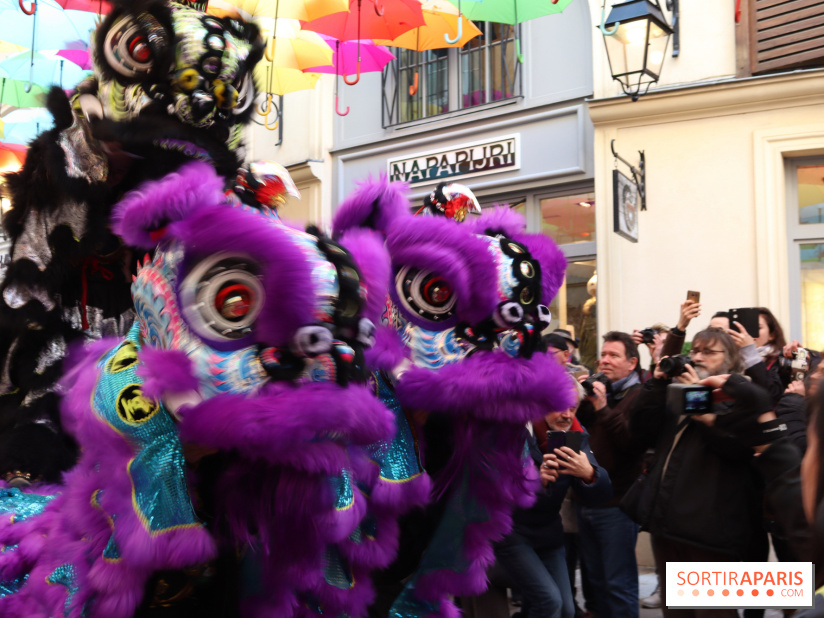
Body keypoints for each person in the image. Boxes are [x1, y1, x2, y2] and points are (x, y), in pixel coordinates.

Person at [629, 328, 811, 618]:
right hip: (666, 526)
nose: (698, 357)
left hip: (709, 533)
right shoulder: (678, 393)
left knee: (712, 613)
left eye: (708, 351)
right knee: (676, 613)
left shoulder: (738, 400)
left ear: (731, 360)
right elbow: (640, 431)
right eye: (695, 351)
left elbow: (734, 449)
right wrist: (657, 384)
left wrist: (698, 398)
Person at [496, 385, 612, 618]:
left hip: (548, 533)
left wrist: (589, 474)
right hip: (512, 533)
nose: (567, 415)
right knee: (549, 602)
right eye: (559, 407)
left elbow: (601, 494)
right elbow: (494, 488)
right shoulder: (515, 430)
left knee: (566, 610)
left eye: (573, 408)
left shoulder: (574, 433)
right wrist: (535, 482)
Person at [575, 331, 645, 618]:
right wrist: (579, 398)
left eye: (613, 355)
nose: (604, 361)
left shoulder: (639, 395)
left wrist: (603, 408)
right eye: (603, 355)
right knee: (595, 582)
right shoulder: (599, 390)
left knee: (618, 583)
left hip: (617, 504)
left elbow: (630, 443)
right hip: (587, 499)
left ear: (632, 363)